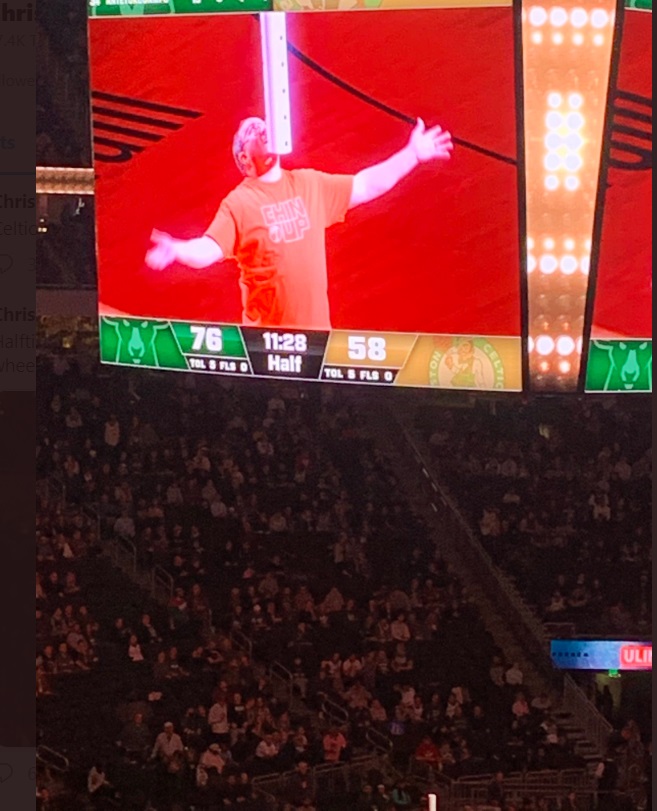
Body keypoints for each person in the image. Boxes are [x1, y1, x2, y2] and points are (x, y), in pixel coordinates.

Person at [145, 116, 453, 329]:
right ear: (244, 159)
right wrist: (177, 249)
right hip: (267, 346)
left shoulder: (310, 184)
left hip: (318, 342)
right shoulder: (239, 203)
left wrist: (412, 154)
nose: (262, 130)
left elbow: (366, 185)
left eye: (264, 127)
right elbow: (208, 250)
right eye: (253, 132)